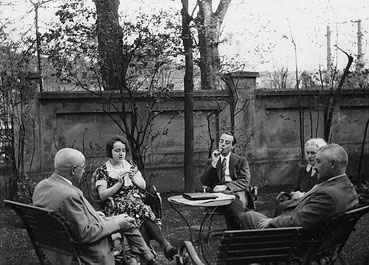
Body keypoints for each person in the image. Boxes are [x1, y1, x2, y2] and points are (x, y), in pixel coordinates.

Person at [32, 148, 158, 265]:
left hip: (57, 247)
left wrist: (94, 214)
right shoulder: (69, 195)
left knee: (125, 220)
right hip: (85, 254)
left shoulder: (43, 186)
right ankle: (146, 257)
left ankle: (146, 256)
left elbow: (66, 216)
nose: (84, 171)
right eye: (83, 167)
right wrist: (117, 224)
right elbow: (85, 234)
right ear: (74, 170)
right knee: (125, 225)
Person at [229, 144, 359, 230]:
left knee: (248, 216)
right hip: (307, 238)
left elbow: (300, 220)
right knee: (245, 212)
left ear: (332, 164)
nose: (314, 166)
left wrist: (272, 222)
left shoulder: (329, 195)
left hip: (292, 242)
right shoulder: (347, 188)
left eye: (318, 162)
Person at [93, 137, 178, 261]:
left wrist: (133, 177)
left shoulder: (130, 165)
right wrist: (118, 184)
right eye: (117, 150)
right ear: (110, 152)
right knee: (140, 208)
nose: (121, 153)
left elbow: (143, 185)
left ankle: (151, 253)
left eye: (123, 150)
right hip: (115, 203)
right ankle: (162, 246)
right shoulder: (103, 170)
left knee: (139, 210)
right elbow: (102, 195)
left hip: (135, 201)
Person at [200, 132, 252, 229]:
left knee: (233, 201)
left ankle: (235, 232)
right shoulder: (211, 161)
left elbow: (245, 181)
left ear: (233, 146)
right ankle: (241, 229)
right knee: (232, 202)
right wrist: (214, 164)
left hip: (237, 192)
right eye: (221, 141)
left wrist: (226, 187)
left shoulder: (241, 161)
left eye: (227, 142)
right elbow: (204, 181)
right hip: (217, 196)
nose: (223, 144)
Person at [275, 138, 327, 210]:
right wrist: (293, 194)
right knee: (281, 207)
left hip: (313, 206)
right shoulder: (304, 170)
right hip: (299, 202)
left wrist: (302, 195)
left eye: (313, 153)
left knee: (283, 208)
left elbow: (321, 195)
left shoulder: (324, 173)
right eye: (308, 153)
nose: (309, 156)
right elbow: (296, 188)